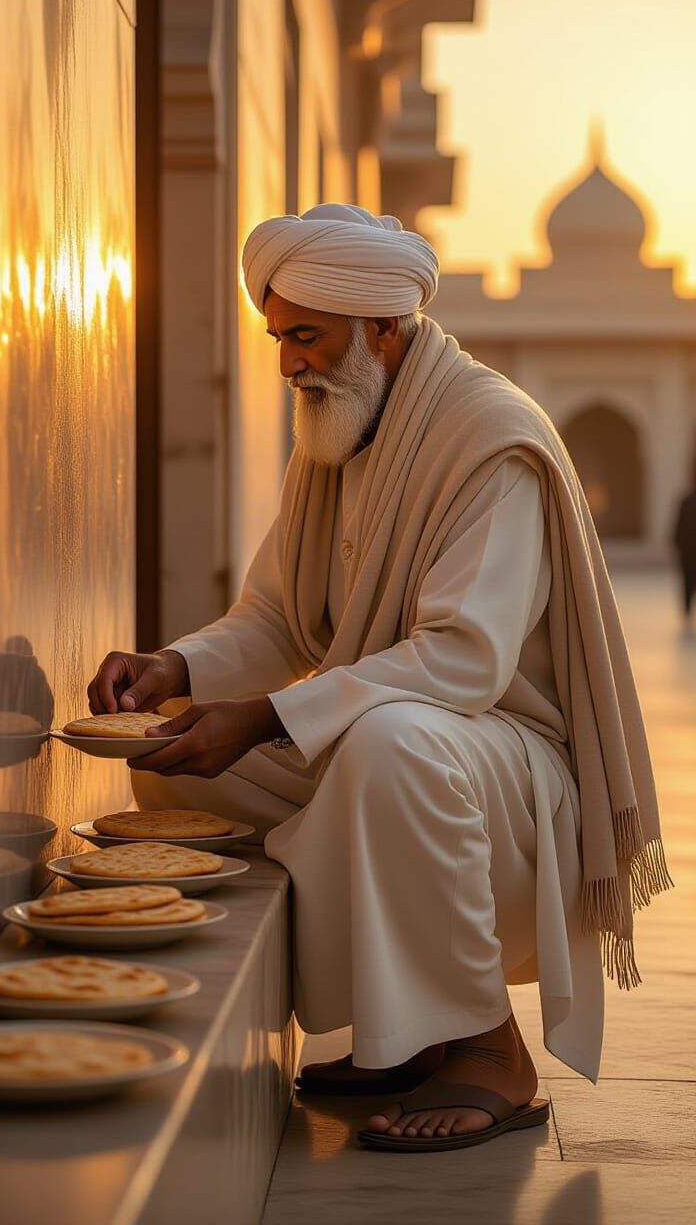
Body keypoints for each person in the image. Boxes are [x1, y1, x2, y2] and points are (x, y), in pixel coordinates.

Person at [88, 203, 671, 1153]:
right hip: (390, 744)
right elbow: (279, 617)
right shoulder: (338, 430)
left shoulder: (489, 439)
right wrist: (176, 667)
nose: (287, 363)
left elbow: (463, 660)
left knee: (389, 744)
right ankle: (403, 1032)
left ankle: (491, 1053)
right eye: (279, 337)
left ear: (383, 328)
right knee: (173, 750)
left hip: (509, 777)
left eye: (306, 337)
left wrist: (271, 716)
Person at [672, 475, 696, 624]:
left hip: (687, 551)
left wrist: (676, 543)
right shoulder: (686, 500)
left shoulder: (686, 500)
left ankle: (687, 613)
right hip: (688, 551)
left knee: (687, 583)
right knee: (687, 582)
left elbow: (678, 525)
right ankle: (687, 614)